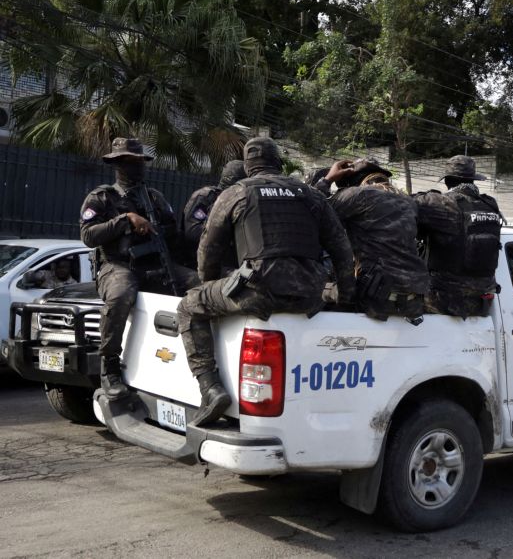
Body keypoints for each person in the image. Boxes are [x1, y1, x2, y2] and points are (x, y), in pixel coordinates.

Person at [176, 137, 355, 427]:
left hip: (258, 292)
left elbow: (208, 250)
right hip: (310, 293)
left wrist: (209, 288)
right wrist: (344, 295)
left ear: (248, 167)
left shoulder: (236, 193)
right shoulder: (310, 194)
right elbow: (341, 249)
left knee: (188, 307)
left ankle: (210, 389)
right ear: (278, 163)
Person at [80, 137, 198, 401]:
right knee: (121, 294)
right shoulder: (101, 197)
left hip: (156, 262)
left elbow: (175, 235)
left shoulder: (155, 197)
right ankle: (109, 366)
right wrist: (126, 220)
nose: (137, 167)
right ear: (118, 164)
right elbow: (88, 236)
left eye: (139, 162)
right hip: (117, 266)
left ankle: (200, 364)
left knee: (198, 284)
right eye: (130, 162)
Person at [317, 158, 429, 322]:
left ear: (352, 180)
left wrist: (327, 180)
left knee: (319, 290)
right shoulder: (407, 201)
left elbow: (311, 208)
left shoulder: (357, 195)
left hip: (376, 295)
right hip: (414, 296)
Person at [413, 155, 502, 317]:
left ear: (447, 181)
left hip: (444, 301)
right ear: (474, 180)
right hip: (480, 302)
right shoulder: (490, 205)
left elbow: (406, 204)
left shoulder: (442, 204)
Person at [179, 160, 246, 268]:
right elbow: (192, 231)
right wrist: (227, 233)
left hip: (224, 263)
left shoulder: (238, 201)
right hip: (196, 263)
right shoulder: (206, 197)